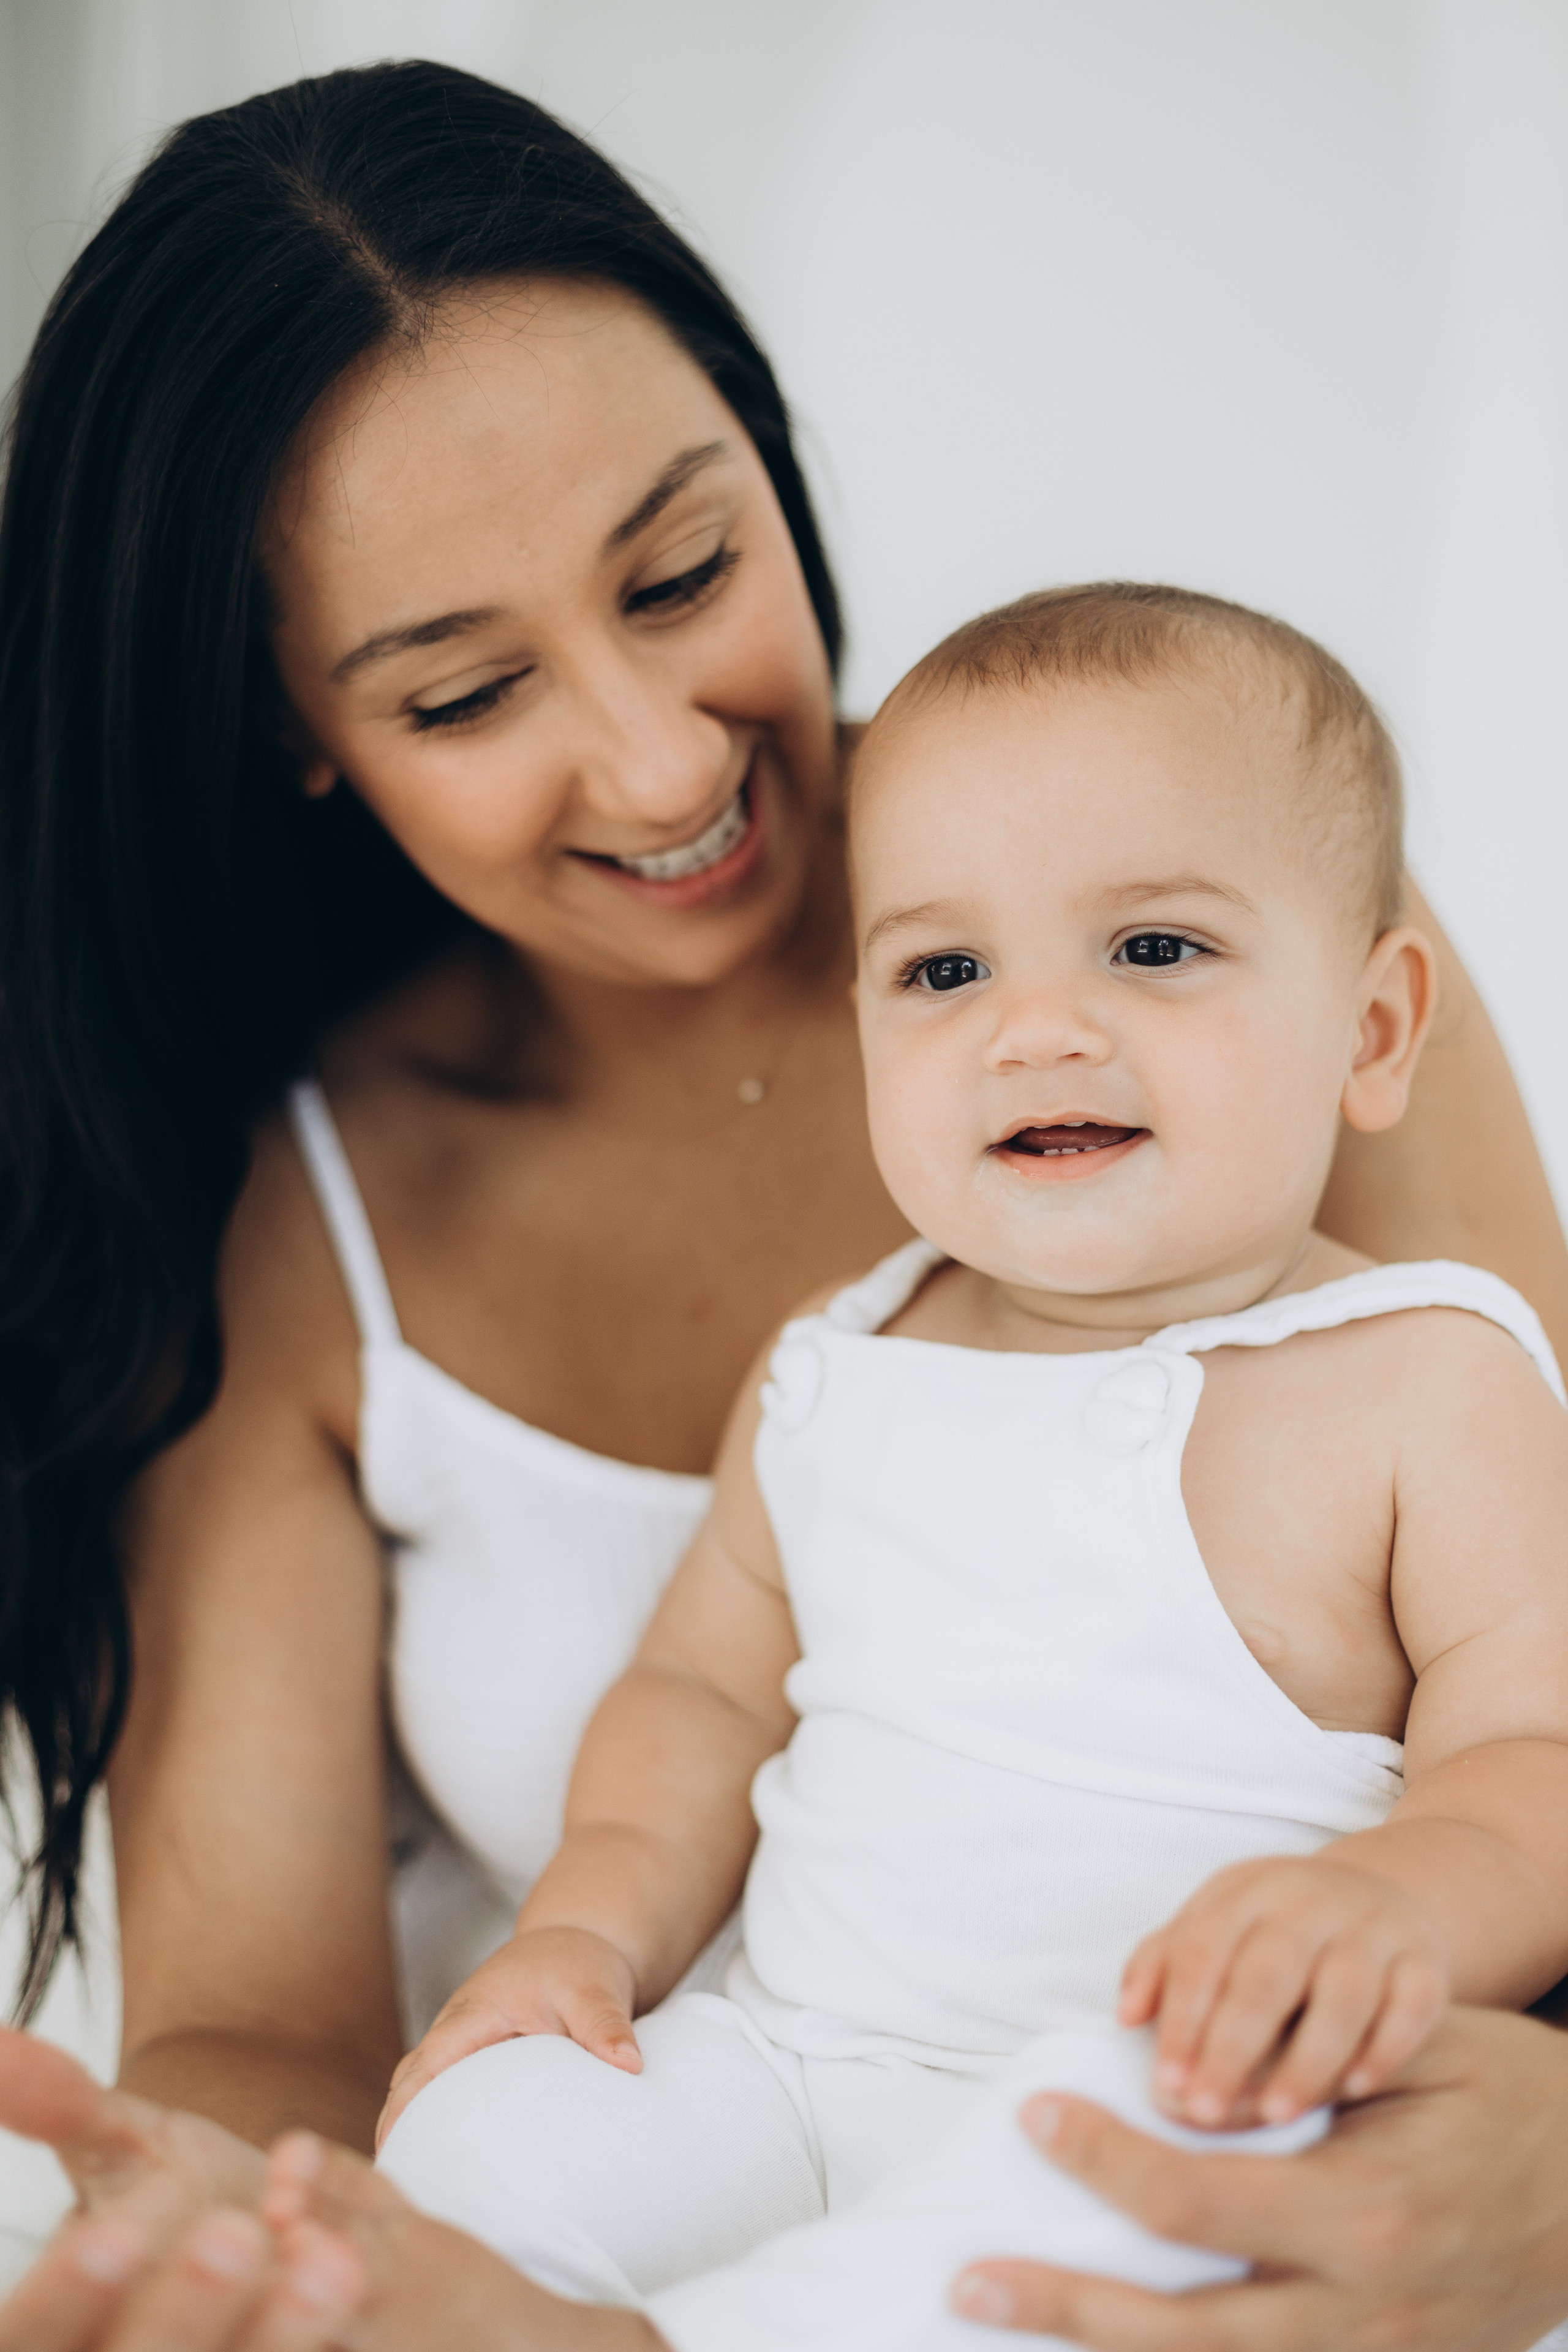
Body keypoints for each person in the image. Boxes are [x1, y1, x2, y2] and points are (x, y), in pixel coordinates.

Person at [2, 54, 1568, 2352]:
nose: (660, 760)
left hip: (1169, 2161)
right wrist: (241, 2237)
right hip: (711, 2113)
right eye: (464, 691)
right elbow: (269, 2023)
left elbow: (1539, 1716)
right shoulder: (310, 1222)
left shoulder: (1223, 942)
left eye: (685, 567)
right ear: (291, 729)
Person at [355, 585, 1568, 2346]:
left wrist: (1388, 1909)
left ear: (1377, 1031)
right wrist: (584, 1935)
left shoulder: (1427, 1378)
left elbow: (1539, 1756)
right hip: (785, 2053)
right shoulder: (842, 1367)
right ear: (864, 1028)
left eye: (1153, 949)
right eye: (943, 970)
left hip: (1161, 2073)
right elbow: (695, 1699)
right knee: (498, 2127)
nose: (1035, 1029)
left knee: (1112, 2197)